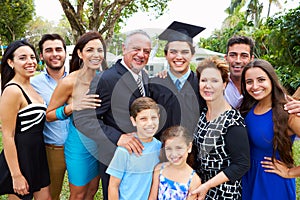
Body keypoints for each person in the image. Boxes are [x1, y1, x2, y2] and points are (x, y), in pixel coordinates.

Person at [73, 29, 152, 200]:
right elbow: (82, 119)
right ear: (124, 49)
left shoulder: (144, 76)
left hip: (139, 159)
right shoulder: (106, 79)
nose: (141, 54)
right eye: (136, 49)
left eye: (146, 51)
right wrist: (118, 137)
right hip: (115, 157)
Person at [46, 31, 104, 200]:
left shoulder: (104, 79)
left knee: (92, 191)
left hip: (99, 146)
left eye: (99, 50)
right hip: (78, 147)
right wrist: (72, 107)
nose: (96, 55)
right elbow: (49, 115)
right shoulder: (68, 82)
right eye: (90, 50)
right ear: (80, 53)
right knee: (78, 195)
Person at [239, 59, 300, 200]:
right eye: (249, 82)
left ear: (272, 80)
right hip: (249, 179)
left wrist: (291, 172)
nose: (255, 86)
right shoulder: (248, 108)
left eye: (261, 80)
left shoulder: (287, 112)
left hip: (272, 183)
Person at [191, 56, 250, 200]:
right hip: (201, 188)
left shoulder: (232, 121)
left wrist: (208, 185)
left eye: (214, 81)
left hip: (223, 192)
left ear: (224, 84)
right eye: (204, 80)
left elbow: (242, 164)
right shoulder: (203, 114)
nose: (207, 85)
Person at [0, 40, 51, 199]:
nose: (30, 62)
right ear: (10, 62)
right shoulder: (12, 90)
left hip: (37, 154)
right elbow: (7, 136)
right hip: (20, 158)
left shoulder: (32, 87)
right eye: (22, 58)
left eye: (32, 57)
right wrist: (16, 175)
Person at [150, 21, 206, 138]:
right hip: (160, 151)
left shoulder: (202, 85)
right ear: (166, 55)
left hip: (194, 151)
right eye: (173, 52)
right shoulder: (154, 85)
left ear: (192, 55)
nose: (179, 57)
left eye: (185, 52)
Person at [31, 33, 69, 200]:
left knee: (82, 194)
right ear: (41, 55)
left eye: (58, 49)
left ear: (65, 53)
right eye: (49, 50)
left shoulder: (77, 79)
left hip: (80, 147)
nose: (54, 54)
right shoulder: (33, 84)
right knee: (51, 196)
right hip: (52, 149)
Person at [106, 97, 161, 200]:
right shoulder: (125, 150)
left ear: (159, 118)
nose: (150, 123)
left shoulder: (160, 148)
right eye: (143, 119)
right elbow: (113, 186)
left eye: (153, 118)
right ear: (133, 121)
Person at [148, 125, 201, 200]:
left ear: (189, 147)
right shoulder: (159, 169)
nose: (174, 154)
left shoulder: (194, 180)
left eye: (178, 148)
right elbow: (152, 197)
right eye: (169, 148)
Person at [224, 35, 255, 109]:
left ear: (251, 59)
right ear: (226, 58)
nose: (238, 60)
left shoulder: (259, 86)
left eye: (244, 56)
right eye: (233, 55)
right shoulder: (217, 84)